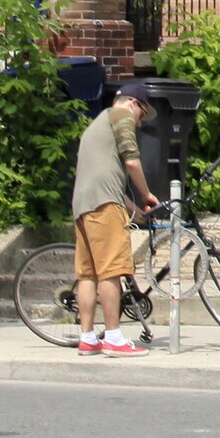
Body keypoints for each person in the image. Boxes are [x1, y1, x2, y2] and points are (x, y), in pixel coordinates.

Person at [71, 81, 162, 358]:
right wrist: (147, 195)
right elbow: (132, 161)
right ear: (134, 104)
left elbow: (108, 181)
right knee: (111, 271)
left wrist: (137, 211)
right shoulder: (122, 117)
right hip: (104, 206)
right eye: (142, 114)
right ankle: (113, 337)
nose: (140, 121)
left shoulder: (95, 125)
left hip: (83, 204)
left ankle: (88, 338)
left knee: (88, 273)